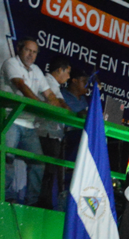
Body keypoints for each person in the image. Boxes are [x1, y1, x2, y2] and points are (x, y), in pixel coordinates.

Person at [0, 39, 64, 206]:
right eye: (28, 50)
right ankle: (4, 198)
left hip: (28, 124)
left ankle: (31, 202)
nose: (31, 55)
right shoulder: (11, 63)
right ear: (19, 49)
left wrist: (64, 111)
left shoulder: (36, 70)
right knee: (7, 157)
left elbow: (50, 95)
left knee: (38, 164)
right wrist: (38, 104)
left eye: (34, 52)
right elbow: (20, 85)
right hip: (10, 119)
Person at [37, 57, 72, 210]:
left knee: (50, 172)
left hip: (52, 134)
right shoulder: (48, 82)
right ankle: (41, 202)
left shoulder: (55, 86)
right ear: (60, 70)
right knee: (47, 171)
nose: (69, 77)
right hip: (47, 133)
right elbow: (60, 105)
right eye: (68, 73)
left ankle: (44, 200)